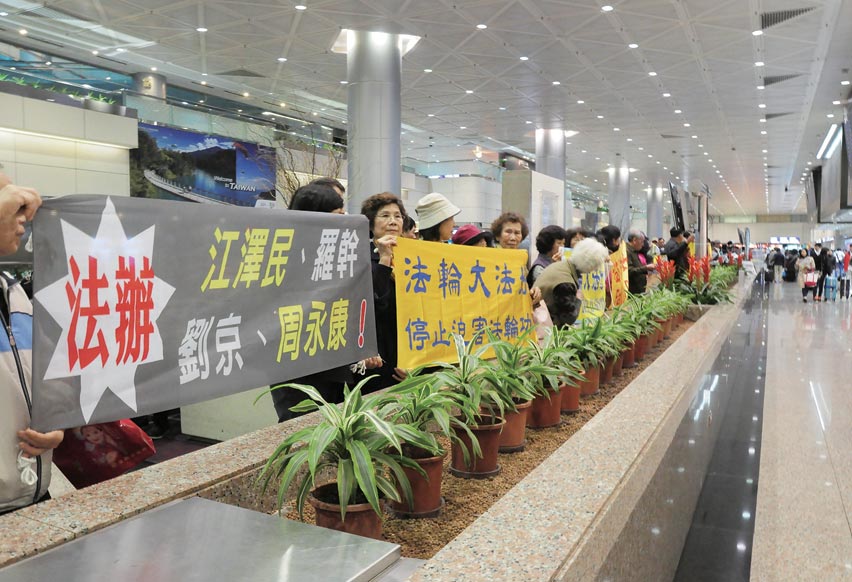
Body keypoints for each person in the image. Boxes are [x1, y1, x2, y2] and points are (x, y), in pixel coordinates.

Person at [270, 182, 379, 421]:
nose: (344, 222)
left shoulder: (338, 258)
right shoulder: (281, 256)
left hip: (335, 369)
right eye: (338, 215)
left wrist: (361, 350)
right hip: (296, 369)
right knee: (302, 431)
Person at [0, 177, 65, 514]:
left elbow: (39, 379)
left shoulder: (14, 294)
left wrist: (54, 424)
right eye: (11, 205)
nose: (22, 217)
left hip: (32, 492)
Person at [360, 192, 409, 390]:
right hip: (376, 360)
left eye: (398, 216)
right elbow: (373, 305)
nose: (393, 221)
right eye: (385, 215)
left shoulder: (413, 259)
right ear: (371, 224)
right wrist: (384, 259)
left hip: (408, 359)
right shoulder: (359, 258)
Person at [533, 238, 610, 328]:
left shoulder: (561, 266)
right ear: (590, 265)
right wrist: (578, 299)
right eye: (596, 266)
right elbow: (568, 318)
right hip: (543, 327)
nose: (595, 270)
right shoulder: (565, 282)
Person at [626, 229, 654, 294]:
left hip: (638, 288)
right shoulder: (627, 251)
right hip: (632, 290)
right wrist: (646, 267)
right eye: (642, 242)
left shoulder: (635, 251)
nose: (643, 245)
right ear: (634, 240)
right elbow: (629, 270)